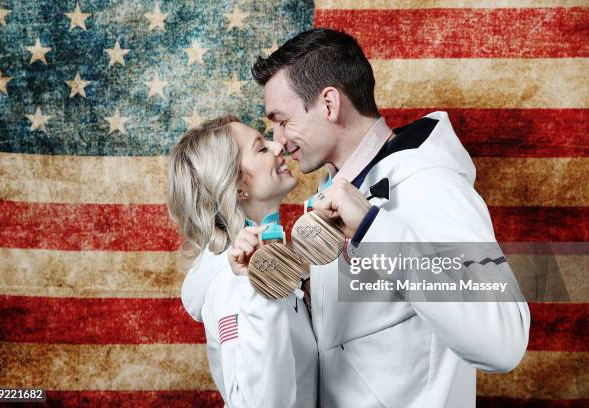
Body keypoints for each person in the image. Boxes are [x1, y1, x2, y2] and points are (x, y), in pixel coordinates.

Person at [194, 29, 531, 407]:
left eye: (283, 120)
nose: (279, 140)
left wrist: (373, 230)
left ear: (329, 104)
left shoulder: (429, 186)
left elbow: (503, 342)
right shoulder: (332, 196)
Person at [167, 116, 318, 408]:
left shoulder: (269, 257)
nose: (278, 146)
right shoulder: (231, 281)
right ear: (236, 186)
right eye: (261, 149)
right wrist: (256, 290)